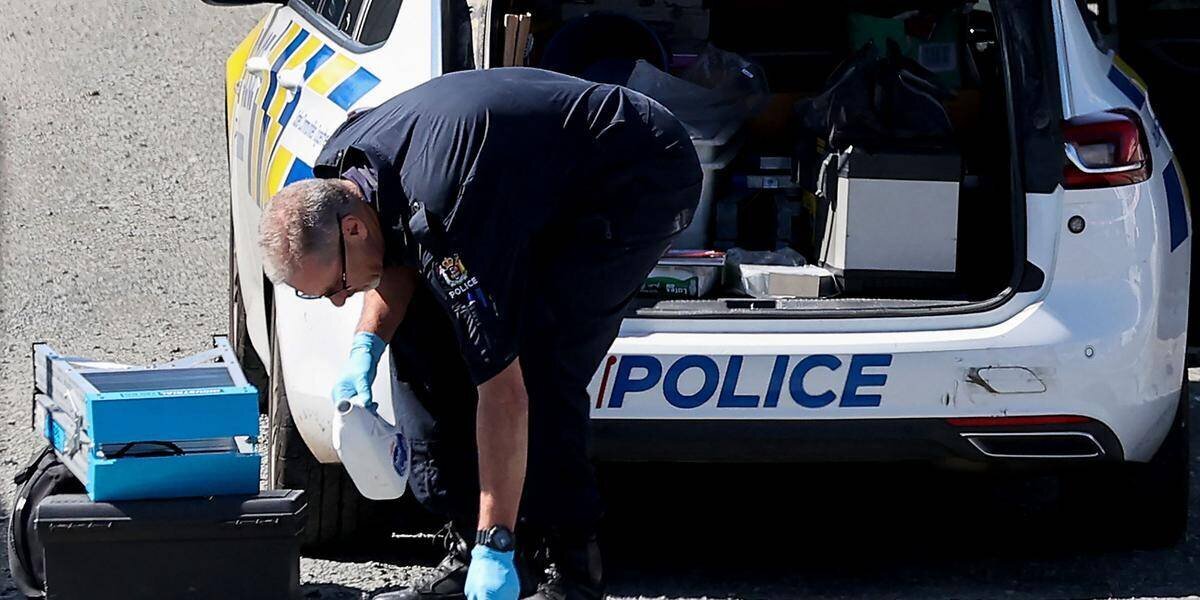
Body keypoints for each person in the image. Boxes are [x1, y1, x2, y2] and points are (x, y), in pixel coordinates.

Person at [258, 67, 701, 600]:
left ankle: (568, 569)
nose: (339, 300)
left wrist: (499, 540)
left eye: (339, 285)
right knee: (422, 336)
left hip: (633, 171)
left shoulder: (444, 213)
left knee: (539, 360)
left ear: (350, 228)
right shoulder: (343, 167)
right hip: (519, 181)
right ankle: (467, 545)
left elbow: (503, 391)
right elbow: (395, 247)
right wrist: (365, 348)